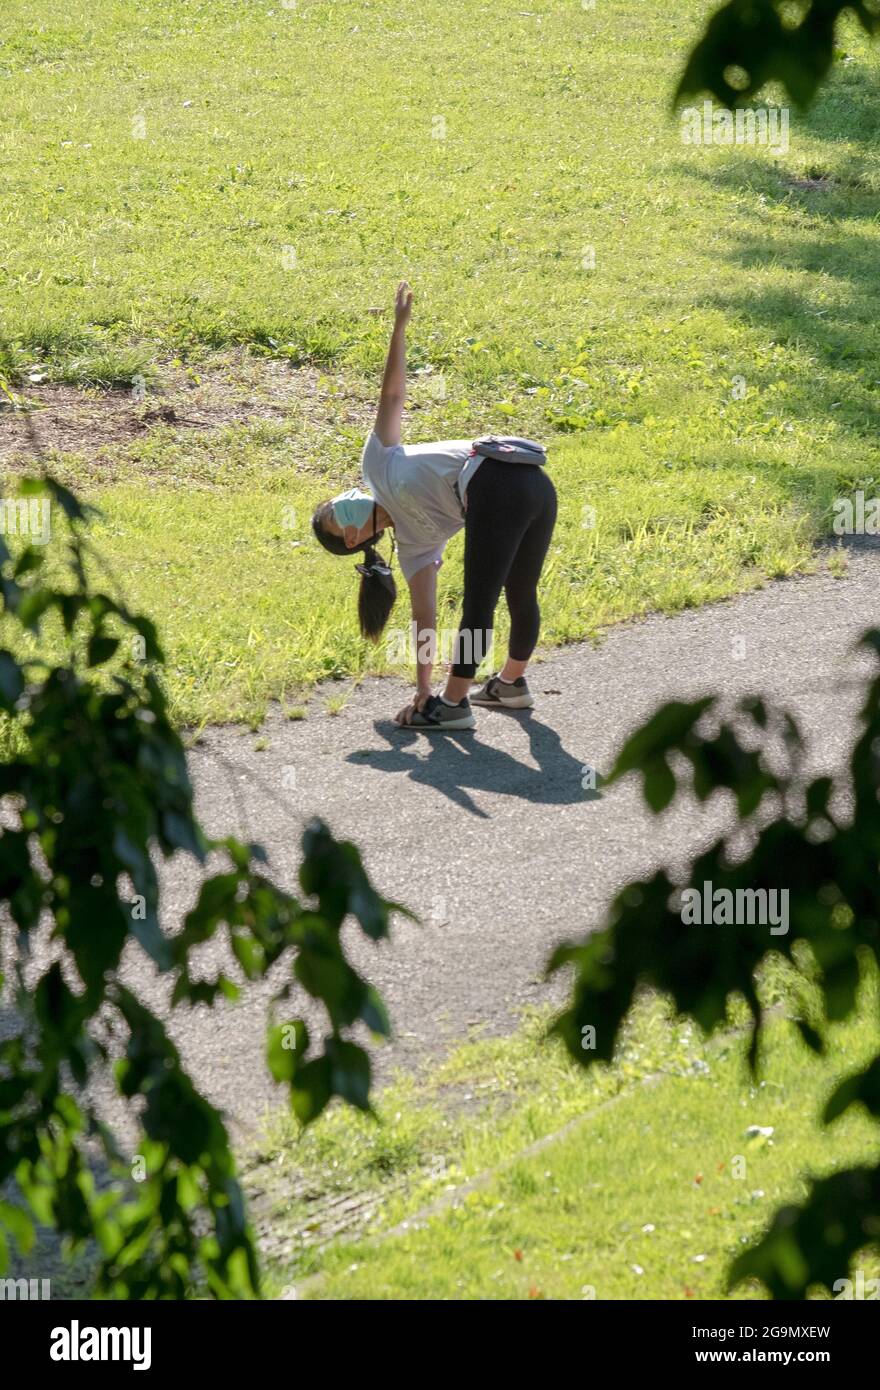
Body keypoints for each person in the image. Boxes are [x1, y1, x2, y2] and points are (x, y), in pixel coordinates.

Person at [311, 282, 557, 729]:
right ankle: (456, 702)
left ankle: (507, 686)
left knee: (518, 593)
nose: (348, 496)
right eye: (339, 510)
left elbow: (391, 398)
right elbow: (424, 621)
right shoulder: (413, 546)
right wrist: (422, 688)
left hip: (530, 479)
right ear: (352, 536)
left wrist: (399, 326)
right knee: (485, 600)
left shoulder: (377, 466)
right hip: (502, 489)